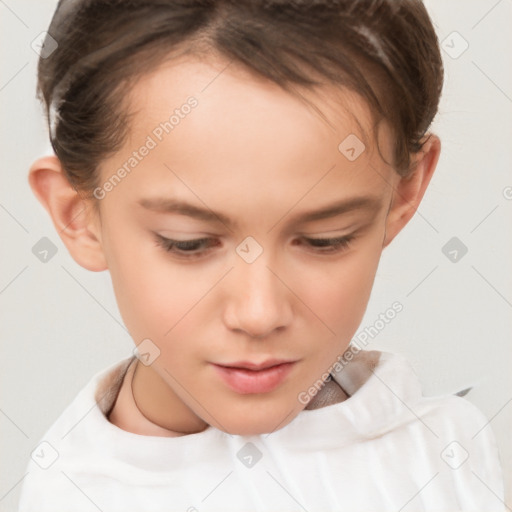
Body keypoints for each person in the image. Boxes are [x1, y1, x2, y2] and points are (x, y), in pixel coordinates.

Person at [18, 0, 505, 510]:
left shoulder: (445, 456)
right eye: (188, 243)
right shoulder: (72, 493)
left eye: (326, 238)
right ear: (79, 215)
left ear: (403, 194)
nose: (260, 313)